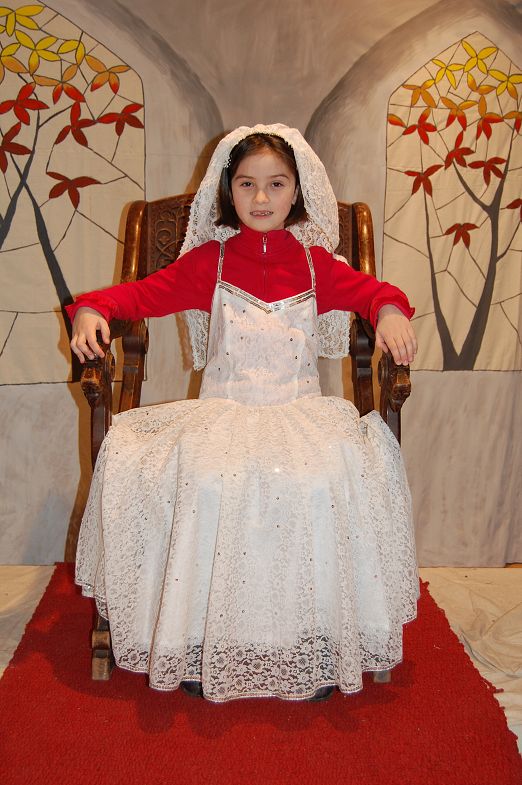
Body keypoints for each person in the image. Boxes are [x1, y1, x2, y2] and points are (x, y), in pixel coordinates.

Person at [67, 123, 419, 703]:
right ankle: (199, 638)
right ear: (228, 191)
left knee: (318, 481)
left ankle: (311, 638)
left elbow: (374, 292)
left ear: (296, 191)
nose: (261, 197)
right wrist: (90, 309)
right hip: (224, 414)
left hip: (299, 414)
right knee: (207, 480)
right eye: (247, 184)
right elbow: (138, 295)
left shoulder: (316, 265)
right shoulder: (210, 262)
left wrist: (389, 311)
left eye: (276, 184)